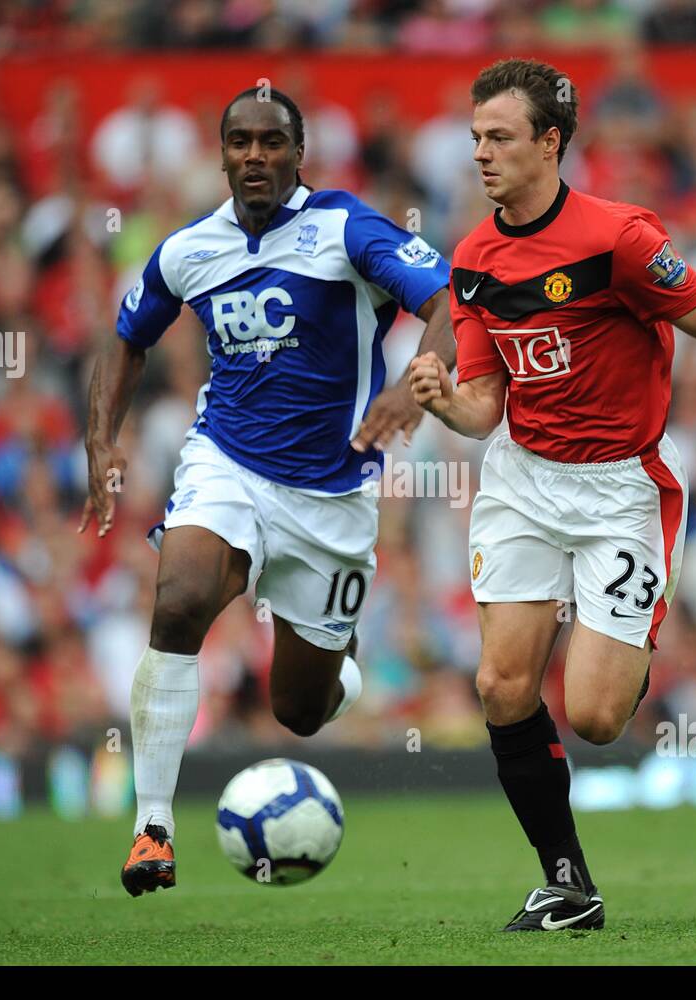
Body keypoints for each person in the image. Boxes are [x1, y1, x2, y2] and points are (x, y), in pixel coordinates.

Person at [409, 59, 696, 931]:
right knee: (500, 686)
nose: (480, 153)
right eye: (475, 137)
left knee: (596, 716)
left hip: (619, 489)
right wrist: (447, 398)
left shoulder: (620, 240)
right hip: (523, 479)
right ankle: (567, 881)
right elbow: (487, 409)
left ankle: (627, 652)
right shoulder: (475, 258)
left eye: (500, 137)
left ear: (550, 142)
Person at [82, 87, 454, 897]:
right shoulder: (187, 250)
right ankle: (152, 827)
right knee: (177, 600)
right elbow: (127, 339)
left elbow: (448, 299)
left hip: (332, 495)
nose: (256, 155)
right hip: (228, 461)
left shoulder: (348, 228)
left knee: (301, 710)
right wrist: (101, 433)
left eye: (272, 143)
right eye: (240, 142)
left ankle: (341, 671)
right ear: (220, 156)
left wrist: (416, 382)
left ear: (299, 154)